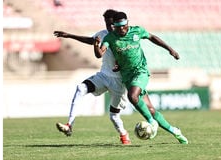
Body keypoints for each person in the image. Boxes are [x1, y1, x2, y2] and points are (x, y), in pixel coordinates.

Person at [94, 11, 188, 144]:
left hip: (140, 72)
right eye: (118, 27)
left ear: (127, 23)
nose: (122, 29)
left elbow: (152, 37)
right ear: (114, 26)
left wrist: (170, 49)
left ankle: (151, 123)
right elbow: (99, 54)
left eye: (124, 26)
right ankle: (175, 132)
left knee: (132, 96)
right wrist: (96, 45)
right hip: (127, 77)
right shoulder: (110, 38)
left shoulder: (137, 31)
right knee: (151, 109)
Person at [53, 9, 132, 145]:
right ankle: (69, 125)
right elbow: (91, 40)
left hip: (119, 82)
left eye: (112, 24)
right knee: (80, 88)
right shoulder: (103, 34)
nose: (109, 27)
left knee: (114, 116)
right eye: (107, 24)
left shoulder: (125, 37)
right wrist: (69, 36)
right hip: (103, 76)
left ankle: (124, 134)